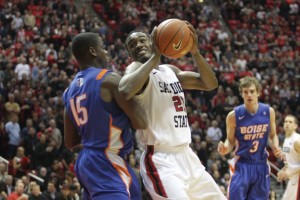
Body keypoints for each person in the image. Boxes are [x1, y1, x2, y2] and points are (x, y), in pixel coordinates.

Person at [119, 22, 226, 199]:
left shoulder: (169, 71)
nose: (138, 45)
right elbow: (125, 89)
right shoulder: (135, 69)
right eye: (132, 45)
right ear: (130, 56)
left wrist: (195, 52)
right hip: (161, 159)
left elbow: (209, 83)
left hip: (187, 155)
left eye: (142, 40)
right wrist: (155, 55)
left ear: (152, 41)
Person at [62, 32, 148, 200]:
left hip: (86, 160)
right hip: (106, 159)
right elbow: (141, 121)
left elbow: (70, 142)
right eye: (103, 47)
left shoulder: (69, 90)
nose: (107, 52)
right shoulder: (109, 79)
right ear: (93, 51)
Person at [217, 76, 282, 200]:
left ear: (258, 92)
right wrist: (225, 148)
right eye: (246, 92)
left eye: (252, 91)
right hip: (242, 165)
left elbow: (273, 135)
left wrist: (276, 146)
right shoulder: (233, 116)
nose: (249, 95)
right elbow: (230, 140)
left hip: (261, 165)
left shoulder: (269, 112)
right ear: (242, 94)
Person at [277, 114, 300, 200]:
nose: (287, 124)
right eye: (286, 121)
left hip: (298, 178)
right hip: (293, 179)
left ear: (295, 126)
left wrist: (290, 173)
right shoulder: (286, 140)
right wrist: (283, 170)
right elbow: (291, 161)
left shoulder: (297, 141)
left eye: (290, 122)